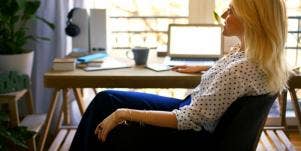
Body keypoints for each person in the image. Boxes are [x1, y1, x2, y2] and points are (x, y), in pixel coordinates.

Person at [70, 0, 289, 150]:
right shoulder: (258, 59)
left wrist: (123, 114)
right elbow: (234, 82)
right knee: (106, 98)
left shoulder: (240, 70)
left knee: (110, 111)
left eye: (231, 10)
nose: (223, 14)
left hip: (191, 132)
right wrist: (207, 68)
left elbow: (187, 118)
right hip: (194, 112)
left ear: (251, 19)